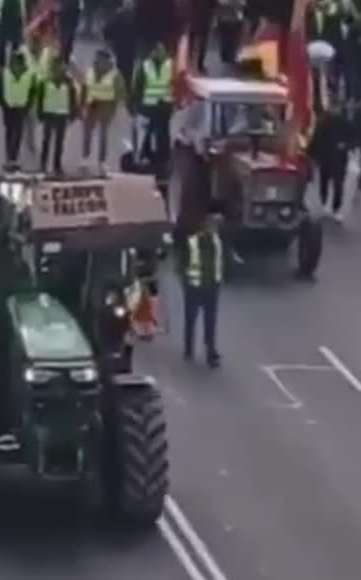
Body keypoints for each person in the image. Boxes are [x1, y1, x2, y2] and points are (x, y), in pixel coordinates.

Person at [175, 208, 223, 369]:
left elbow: (221, 259)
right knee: (191, 319)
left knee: (210, 321)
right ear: (204, 226)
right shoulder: (192, 242)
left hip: (211, 287)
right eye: (212, 225)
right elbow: (181, 264)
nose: (214, 229)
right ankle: (188, 348)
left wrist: (222, 277)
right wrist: (185, 281)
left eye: (215, 226)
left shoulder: (217, 241)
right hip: (194, 287)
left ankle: (211, 351)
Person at [131, 42, 174, 176]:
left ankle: (163, 159)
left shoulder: (171, 65)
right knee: (146, 133)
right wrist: (136, 104)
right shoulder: (145, 66)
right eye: (157, 50)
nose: (159, 53)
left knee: (163, 134)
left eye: (161, 50)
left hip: (164, 105)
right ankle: (145, 156)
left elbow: (176, 83)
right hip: (148, 105)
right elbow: (137, 85)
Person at [309, 103, 355, 221]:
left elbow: (354, 138)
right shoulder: (323, 122)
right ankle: (327, 204)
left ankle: (335, 207)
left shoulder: (344, 123)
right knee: (326, 182)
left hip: (336, 158)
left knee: (337, 184)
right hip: (328, 156)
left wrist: (346, 145)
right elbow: (316, 138)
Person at [81, 49, 124, 172]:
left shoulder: (115, 74)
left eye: (101, 59)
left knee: (103, 135)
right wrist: (82, 105)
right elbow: (84, 88)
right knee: (87, 133)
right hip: (92, 103)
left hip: (106, 105)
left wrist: (115, 108)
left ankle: (102, 161)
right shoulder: (90, 71)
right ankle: (85, 158)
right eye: (97, 58)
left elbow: (119, 92)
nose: (98, 61)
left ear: (107, 60)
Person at [36, 54, 77, 174]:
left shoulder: (69, 83)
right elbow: (41, 98)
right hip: (49, 114)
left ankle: (56, 165)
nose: (58, 69)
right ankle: (43, 164)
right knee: (46, 141)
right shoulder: (45, 81)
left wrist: (73, 113)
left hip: (62, 115)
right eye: (55, 66)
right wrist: (40, 113)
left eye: (60, 66)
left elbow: (72, 99)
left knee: (59, 142)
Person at [0, 49, 35, 171]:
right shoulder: (5, 74)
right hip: (8, 108)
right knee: (9, 132)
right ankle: (9, 157)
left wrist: (27, 106)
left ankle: (13, 158)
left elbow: (31, 92)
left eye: (16, 63)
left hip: (21, 108)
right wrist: (3, 104)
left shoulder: (29, 75)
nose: (13, 65)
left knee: (17, 133)